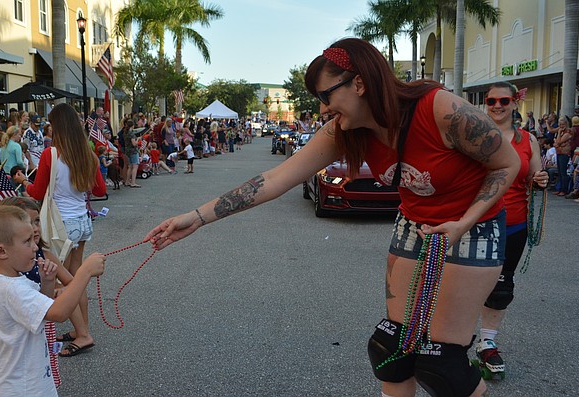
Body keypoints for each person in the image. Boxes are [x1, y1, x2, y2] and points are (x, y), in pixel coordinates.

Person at [145, 39, 520, 397]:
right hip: (413, 226)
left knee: (442, 366)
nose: (323, 109)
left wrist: (464, 222)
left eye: (326, 96)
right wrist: (196, 217)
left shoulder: (439, 108)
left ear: (359, 83)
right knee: (391, 348)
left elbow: (507, 163)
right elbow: (275, 179)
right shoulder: (344, 130)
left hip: (474, 226)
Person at [0, 206, 104, 396]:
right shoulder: (12, 288)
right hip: (22, 387)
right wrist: (84, 272)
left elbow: (40, 313)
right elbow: (58, 313)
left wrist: (47, 282)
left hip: (30, 380)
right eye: (27, 242)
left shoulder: (12, 280)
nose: (35, 247)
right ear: (2, 251)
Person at [475, 82, 548, 378]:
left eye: (504, 100)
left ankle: (487, 342)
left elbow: (534, 175)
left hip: (514, 224)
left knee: (502, 286)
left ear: (515, 103)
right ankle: (452, 340)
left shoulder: (528, 140)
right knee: (466, 283)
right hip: (477, 223)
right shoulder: (473, 137)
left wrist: (539, 178)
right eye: (491, 100)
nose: (497, 105)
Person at [23, 103, 107, 357]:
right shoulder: (88, 154)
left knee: (63, 281)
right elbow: (101, 191)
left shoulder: (51, 154)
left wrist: (22, 184)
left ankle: (83, 334)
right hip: (82, 220)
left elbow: (37, 192)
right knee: (76, 277)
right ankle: (81, 329)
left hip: (61, 224)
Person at [553, 116, 573, 196]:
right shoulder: (561, 132)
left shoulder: (567, 133)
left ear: (566, 124)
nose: (561, 126)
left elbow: (558, 142)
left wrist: (558, 142)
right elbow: (557, 142)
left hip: (564, 154)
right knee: (560, 172)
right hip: (559, 152)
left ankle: (564, 190)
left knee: (563, 172)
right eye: (560, 124)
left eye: (563, 124)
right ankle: (559, 188)